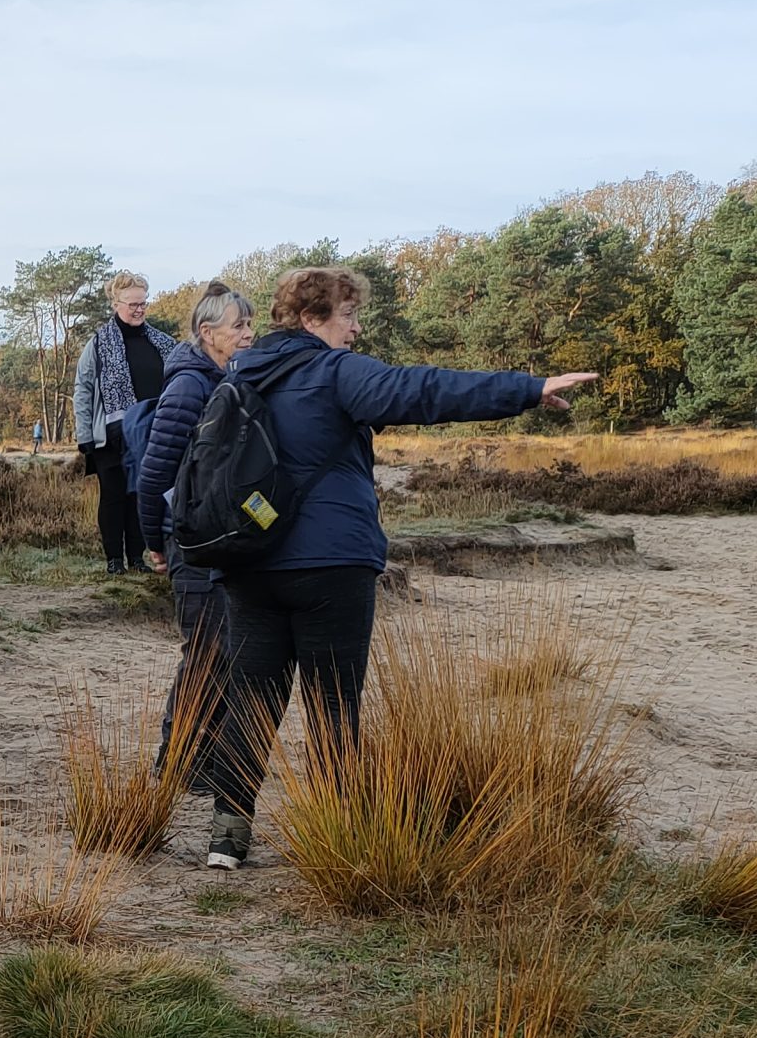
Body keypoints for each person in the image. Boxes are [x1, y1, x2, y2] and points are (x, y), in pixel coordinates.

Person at [197, 266, 593, 870]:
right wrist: (527, 388)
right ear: (311, 319)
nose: (356, 329)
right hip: (331, 564)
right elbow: (425, 391)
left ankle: (227, 832)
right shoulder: (334, 372)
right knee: (334, 700)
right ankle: (338, 834)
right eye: (347, 315)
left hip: (248, 559)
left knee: (252, 695)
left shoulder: (238, 372)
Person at [136, 280, 257, 774]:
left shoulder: (231, 379)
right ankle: (175, 761)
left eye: (251, 324)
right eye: (239, 326)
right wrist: (155, 544)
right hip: (191, 542)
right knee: (206, 654)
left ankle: (203, 763)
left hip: (225, 540)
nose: (249, 334)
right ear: (208, 333)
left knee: (228, 654)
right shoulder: (190, 385)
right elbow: (152, 474)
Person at [72, 272, 185, 572]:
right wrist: (84, 434)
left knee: (140, 494)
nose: (138, 309)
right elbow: (82, 389)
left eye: (143, 304)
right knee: (113, 496)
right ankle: (113, 561)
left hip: (151, 432)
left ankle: (137, 558)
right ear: (116, 303)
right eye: (132, 304)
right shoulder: (98, 343)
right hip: (110, 435)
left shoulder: (163, 343)